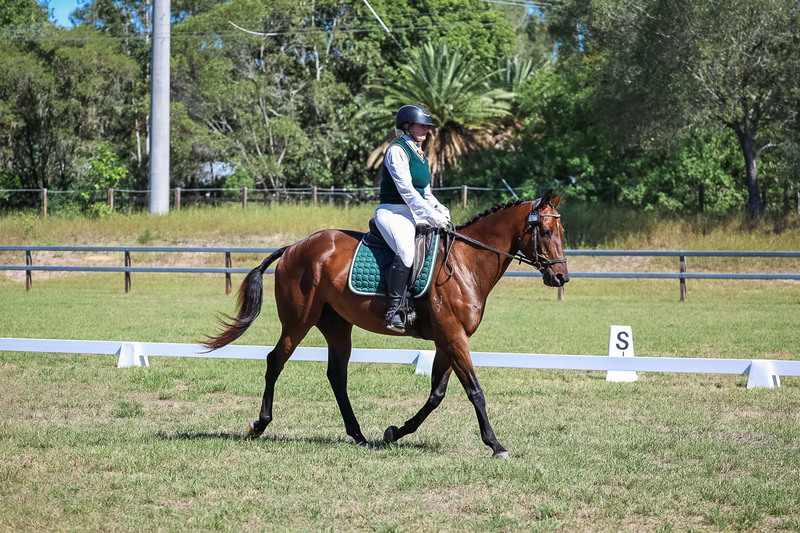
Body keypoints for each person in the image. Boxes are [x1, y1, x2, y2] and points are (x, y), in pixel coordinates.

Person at [375, 104, 452, 333]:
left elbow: (425, 193)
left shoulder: (420, 155)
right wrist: (432, 216)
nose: (426, 130)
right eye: (421, 126)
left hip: (414, 213)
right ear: (407, 126)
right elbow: (407, 192)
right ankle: (394, 311)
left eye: (427, 126)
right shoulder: (397, 151)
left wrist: (441, 209)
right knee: (407, 252)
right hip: (392, 212)